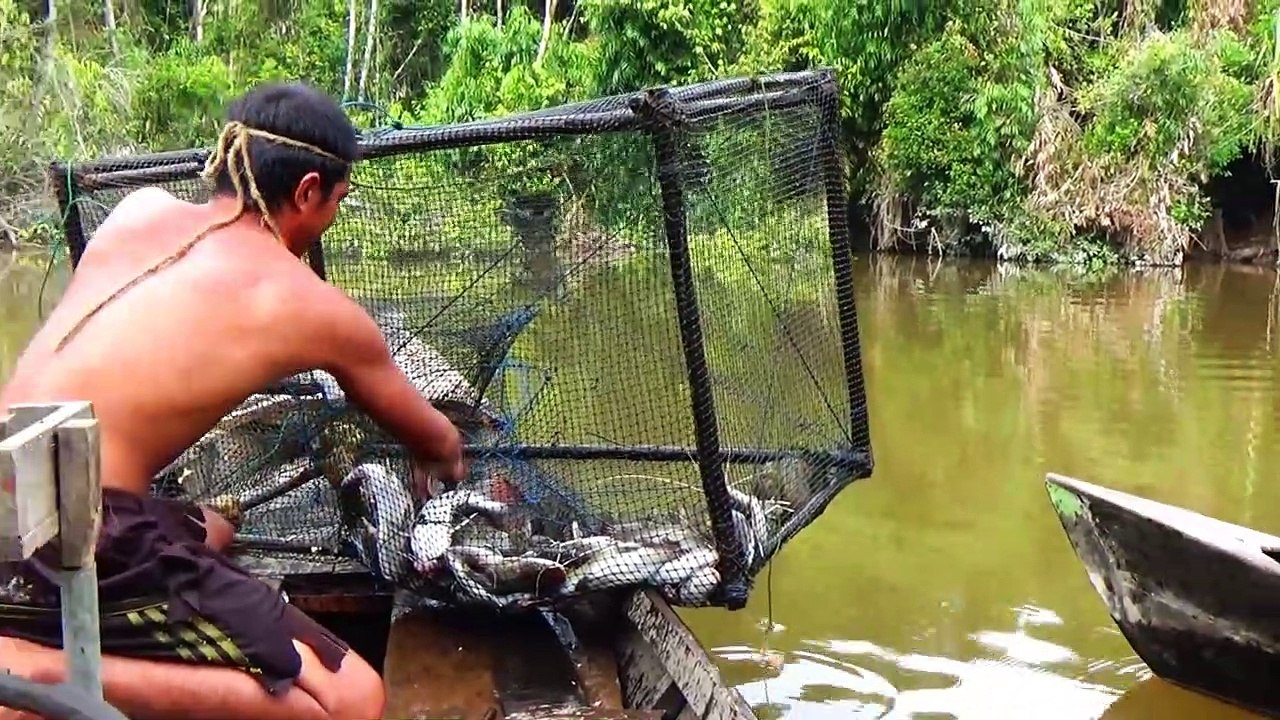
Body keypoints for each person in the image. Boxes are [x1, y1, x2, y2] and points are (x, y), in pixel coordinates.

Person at [0, 81, 468, 720]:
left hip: (13, 507)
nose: (330, 217)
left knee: (215, 523)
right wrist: (446, 466)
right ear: (306, 191)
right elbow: (438, 440)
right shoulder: (306, 303)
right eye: (335, 201)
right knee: (352, 701)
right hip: (84, 535)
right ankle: (34, 672)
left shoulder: (135, 208)